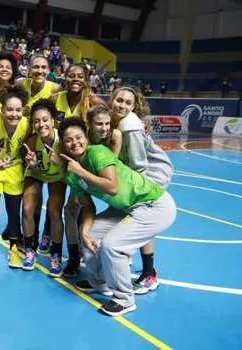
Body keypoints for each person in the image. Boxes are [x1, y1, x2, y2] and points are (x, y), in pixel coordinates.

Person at [57, 117, 176, 316]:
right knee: (90, 235)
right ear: (63, 143)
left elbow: (112, 187)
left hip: (153, 205)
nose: (74, 142)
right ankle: (99, 282)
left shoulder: (98, 153)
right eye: (69, 140)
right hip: (126, 208)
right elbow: (87, 207)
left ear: (86, 138)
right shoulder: (71, 174)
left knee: (113, 245)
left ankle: (124, 299)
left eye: (78, 137)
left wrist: (81, 172)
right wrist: (85, 232)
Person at [108, 86, 174, 294]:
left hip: (152, 173)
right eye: (119, 100)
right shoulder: (113, 120)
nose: (123, 105)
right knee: (129, 216)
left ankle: (149, 274)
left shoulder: (131, 127)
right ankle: (127, 257)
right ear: (112, 100)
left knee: (142, 218)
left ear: (135, 106)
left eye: (128, 103)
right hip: (136, 173)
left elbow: (139, 165)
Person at [50, 63, 106, 277]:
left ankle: (77, 255)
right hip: (60, 159)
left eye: (80, 76)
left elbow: (110, 120)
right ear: (65, 77)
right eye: (71, 75)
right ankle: (71, 251)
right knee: (60, 208)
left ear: (86, 79)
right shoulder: (56, 99)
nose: (75, 79)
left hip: (81, 163)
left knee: (74, 209)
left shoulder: (93, 101)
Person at [0, 86, 29, 272]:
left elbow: (29, 147)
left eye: (18, 110)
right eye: (9, 109)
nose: (14, 114)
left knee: (13, 211)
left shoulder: (26, 124)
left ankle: (14, 249)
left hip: (14, 168)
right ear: (2, 110)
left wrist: (29, 157)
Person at [21, 99, 66, 276]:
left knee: (55, 212)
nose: (41, 124)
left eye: (45, 120)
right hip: (37, 174)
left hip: (57, 176)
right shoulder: (31, 141)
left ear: (53, 121)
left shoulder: (63, 140)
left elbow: (72, 166)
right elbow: (33, 169)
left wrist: (60, 162)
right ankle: (30, 248)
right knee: (27, 209)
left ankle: (55, 253)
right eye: (37, 121)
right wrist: (31, 165)